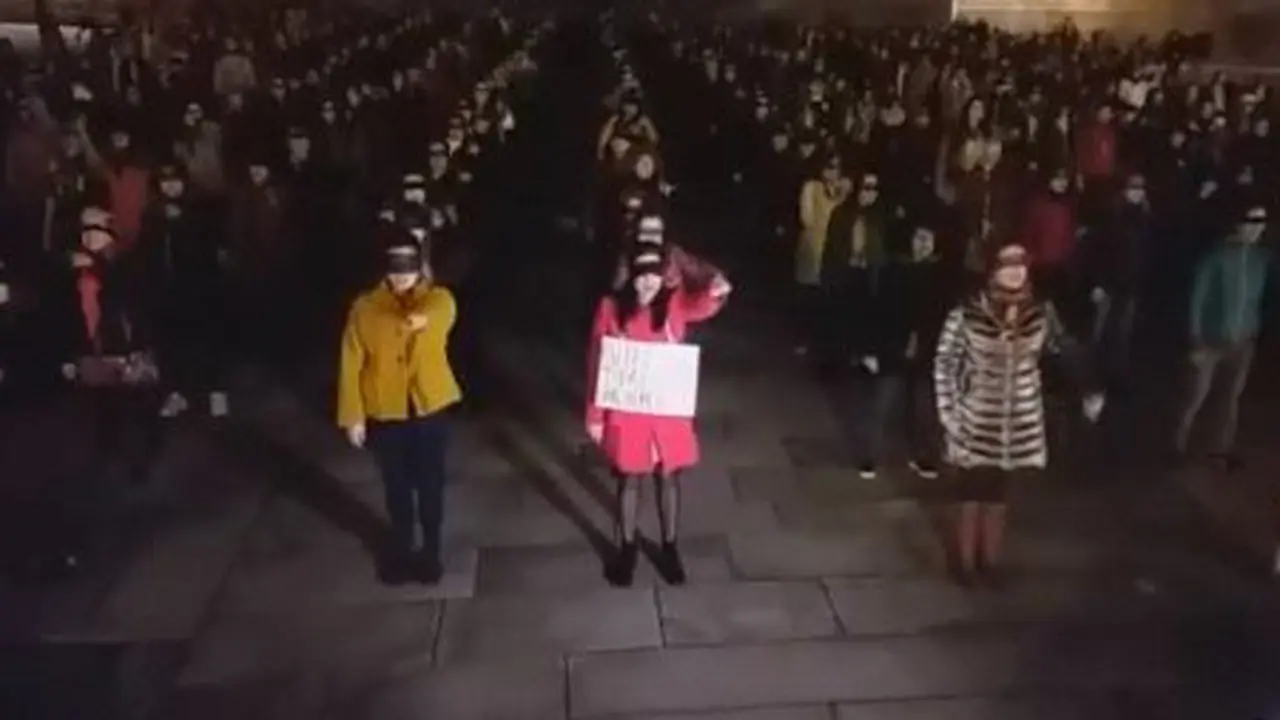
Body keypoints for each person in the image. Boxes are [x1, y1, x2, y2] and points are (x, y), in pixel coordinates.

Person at [934, 243, 1103, 587]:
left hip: (1016, 423)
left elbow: (1063, 349)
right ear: (993, 271)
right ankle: (965, 564)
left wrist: (1087, 385)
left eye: (1020, 266)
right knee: (971, 493)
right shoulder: (967, 313)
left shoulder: (1039, 313)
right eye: (1007, 266)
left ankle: (990, 561)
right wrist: (951, 414)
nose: (1014, 272)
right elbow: (945, 364)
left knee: (999, 494)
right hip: (976, 419)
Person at [585, 248, 731, 588]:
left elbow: (702, 305)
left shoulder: (673, 304)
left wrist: (714, 290)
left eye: (655, 274)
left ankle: (670, 547)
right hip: (628, 410)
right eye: (642, 274)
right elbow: (596, 359)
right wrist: (594, 414)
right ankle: (627, 549)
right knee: (629, 479)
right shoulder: (611, 308)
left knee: (668, 478)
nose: (648, 283)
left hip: (665, 411)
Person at [337, 235, 460, 586]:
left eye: (409, 265)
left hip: (428, 410)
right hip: (386, 412)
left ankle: (431, 551)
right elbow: (351, 361)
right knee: (396, 486)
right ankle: (402, 550)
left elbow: (440, 314)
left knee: (430, 484)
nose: (402, 275)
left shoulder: (437, 298)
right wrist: (353, 416)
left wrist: (419, 319)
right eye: (395, 266)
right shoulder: (364, 308)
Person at [1172, 203, 1271, 472]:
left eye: (1261, 222)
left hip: (1244, 340)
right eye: (1252, 221)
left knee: (1230, 399)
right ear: (1239, 224)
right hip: (1211, 340)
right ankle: (1176, 445)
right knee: (1195, 395)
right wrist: (1196, 338)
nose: (1257, 228)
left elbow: (1262, 297)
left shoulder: (1261, 259)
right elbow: (1198, 298)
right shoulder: (1216, 257)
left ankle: (1221, 451)